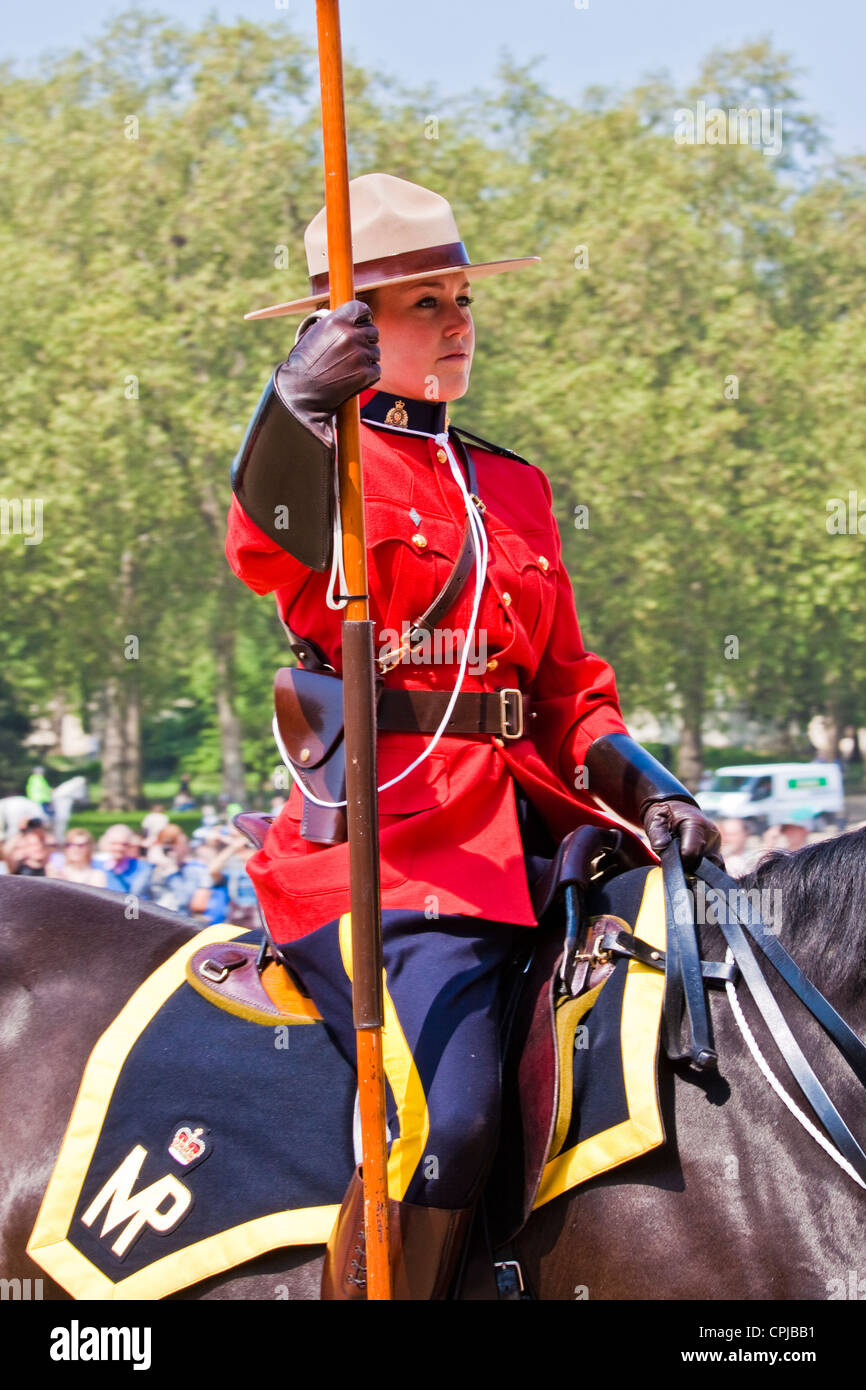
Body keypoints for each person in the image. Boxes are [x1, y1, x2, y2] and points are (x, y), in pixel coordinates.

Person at [226, 173, 721, 1299]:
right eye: (422, 304)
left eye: (461, 297)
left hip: (534, 842)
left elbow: (567, 690)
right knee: (447, 1114)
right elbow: (264, 546)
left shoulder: (511, 485)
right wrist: (294, 404)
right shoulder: (329, 468)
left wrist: (648, 789)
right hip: (388, 861)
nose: (457, 321)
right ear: (346, 330)